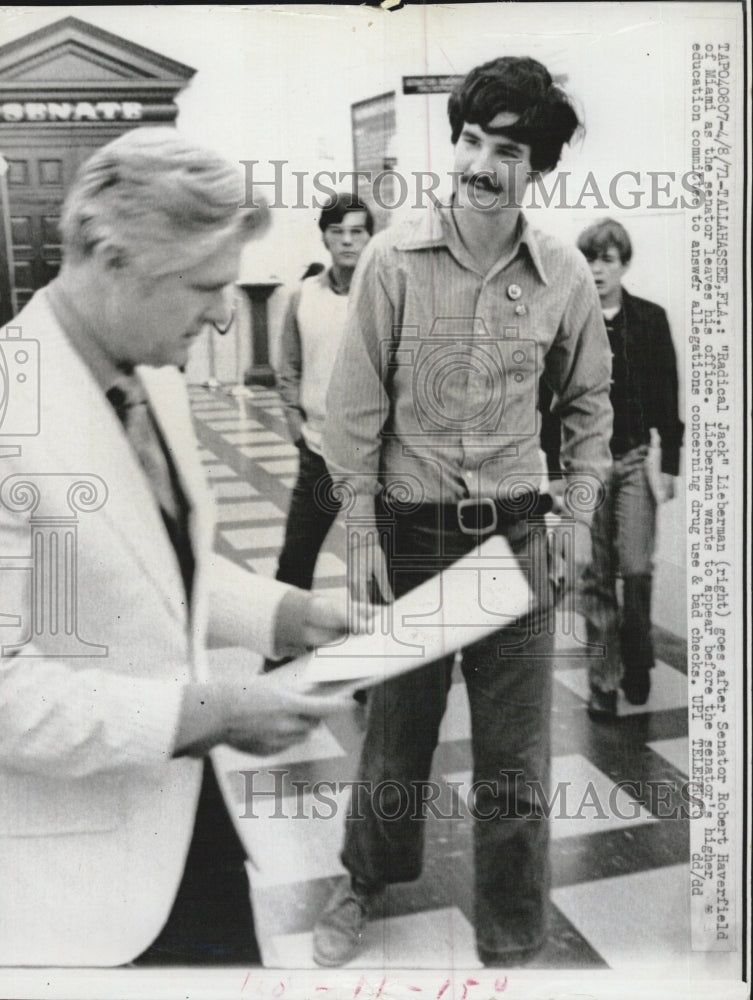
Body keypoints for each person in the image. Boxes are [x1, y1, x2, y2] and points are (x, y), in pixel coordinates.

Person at [0, 128, 356, 967]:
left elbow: (153, 571)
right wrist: (209, 713)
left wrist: (290, 615)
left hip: (183, 828)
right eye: (204, 287)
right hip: (71, 891)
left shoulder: (152, 375)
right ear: (112, 259)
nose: (224, 314)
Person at [316, 56, 613, 968]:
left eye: (508, 151)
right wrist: (359, 528)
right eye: (473, 141)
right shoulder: (391, 260)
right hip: (411, 540)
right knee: (394, 743)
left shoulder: (563, 275)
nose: (481, 165)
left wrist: (575, 519)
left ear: (538, 167)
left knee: (516, 762)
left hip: (516, 541)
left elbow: (589, 406)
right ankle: (362, 880)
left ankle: (511, 939)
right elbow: (353, 410)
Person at [573, 219, 683, 719]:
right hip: (586, 466)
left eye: (607, 260)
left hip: (636, 460)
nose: (596, 270)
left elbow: (667, 393)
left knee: (636, 570)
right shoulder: (570, 319)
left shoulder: (650, 319)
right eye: (589, 259)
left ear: (624, 264)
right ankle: (603, 681)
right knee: (595, 577)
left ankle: (637, 657)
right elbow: (549, 398)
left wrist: (670, 464)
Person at [273, 194, 373, 596]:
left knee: (379, 563)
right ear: (324, 237)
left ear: (370, 238)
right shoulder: (303, 296)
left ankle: (380, 636)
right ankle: (287, 636)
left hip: (374, 457)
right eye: (337, 231)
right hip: (317, 452)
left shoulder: (384, 293)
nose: (347, 240)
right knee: (294, 561)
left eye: (357, 232)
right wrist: (296, 429)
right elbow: (289, 368)